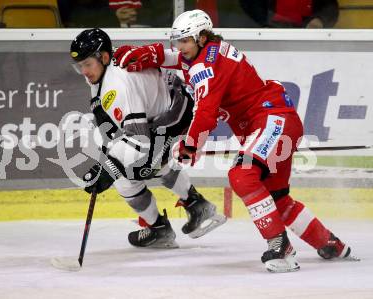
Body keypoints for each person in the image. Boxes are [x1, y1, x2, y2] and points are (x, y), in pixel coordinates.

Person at [113, 9, 358, 272]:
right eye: (177, 40)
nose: (179, 47)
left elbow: (205, 112)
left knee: (242, 175)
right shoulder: (209, 52)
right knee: (278, 198)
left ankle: (280, 246)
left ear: (202, 37)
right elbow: (176, 58)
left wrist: (191, 144)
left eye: (184, 40)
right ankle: (330, 243)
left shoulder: (205, 66)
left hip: (271, 119)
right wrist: (153, 54)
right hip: (276, 120)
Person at [70, 28, 226, 249]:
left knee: (128, 176)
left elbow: (140, 141)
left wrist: (108, 168)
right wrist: (113, 150)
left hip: (174, 115)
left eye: (87, 64)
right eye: (80, 66)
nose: (84, 71)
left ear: (103, 57)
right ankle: (196, 205)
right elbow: (107, 114)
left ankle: (161, 229)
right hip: (169, 106)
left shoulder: (116, 85)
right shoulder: (103, 68)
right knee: (142, 164)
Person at [239, 0, 339, 28]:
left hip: (306, 38)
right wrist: (263, 24)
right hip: (267, 38)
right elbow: (250, 4)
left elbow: (330, 6)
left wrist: (320, 20)